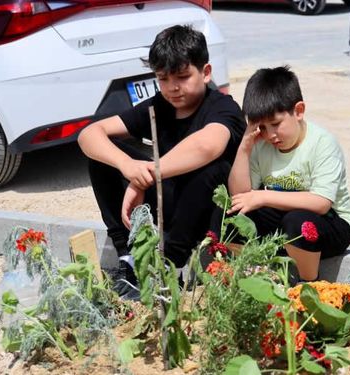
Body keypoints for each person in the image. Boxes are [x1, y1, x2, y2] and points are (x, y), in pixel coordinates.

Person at [78, 25, 246, 297]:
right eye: (163, 79)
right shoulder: (159, 107)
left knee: (212, 167)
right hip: (168, 205)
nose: (173, 88)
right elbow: (89, 135)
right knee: (103, 158)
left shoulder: (223, 107)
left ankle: (172, 265)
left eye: (182, 76)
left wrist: (148, 175)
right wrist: (127, 166)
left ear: (206, 73)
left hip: (210, 214)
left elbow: (208, 145)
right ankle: (129, 257)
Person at [216, 66, 350, 282]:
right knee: (229, 211)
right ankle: (248, 277)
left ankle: (308, 284)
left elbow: (321, 203)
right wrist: (244, 148)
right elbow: (240, 195)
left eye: (275, 124)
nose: (270, 135)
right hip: (282, 222)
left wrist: (262, 196)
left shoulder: (322, 143)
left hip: (329, 223)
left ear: (298, 111)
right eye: (261, 127)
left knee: (298, 222)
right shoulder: (260, 145)